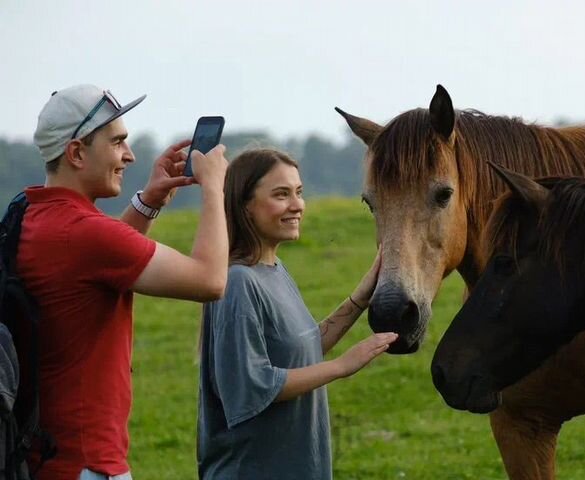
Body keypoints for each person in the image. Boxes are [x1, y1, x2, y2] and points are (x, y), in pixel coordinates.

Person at [17, 85, 230, 480]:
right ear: (77, 153)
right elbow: (210, 280)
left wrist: (149, 200)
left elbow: (99, 266)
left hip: (46, 459)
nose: (129, 156)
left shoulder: (32, 215)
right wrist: (214, 189)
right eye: (117, 143)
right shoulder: (84, 233)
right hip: (87, 465)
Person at [197, 149, 397, 479]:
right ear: (245, 204)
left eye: (299, 193)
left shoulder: (273, 270)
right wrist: (340, 367)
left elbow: (300, 351)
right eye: (281, 194)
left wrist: (361, 297)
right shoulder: (238, 282)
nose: (297, 205)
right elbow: (251, 385)